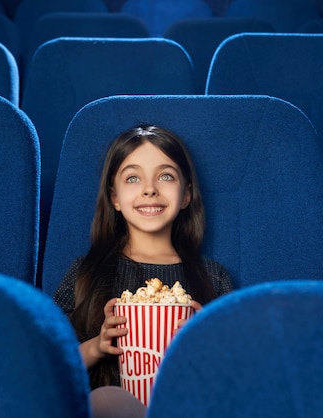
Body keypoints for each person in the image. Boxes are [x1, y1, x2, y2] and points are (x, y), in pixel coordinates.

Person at [53, 124, 234, 416]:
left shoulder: (214, 278)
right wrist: (97, 347)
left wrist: (209, 342)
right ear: (114, 197)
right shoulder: (86, 273)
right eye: (133, 178)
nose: (150, 189)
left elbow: (238, 375)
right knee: (109, 400)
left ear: (186, 195)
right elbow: (47, 365)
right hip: (110, 408)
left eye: (165, 176)